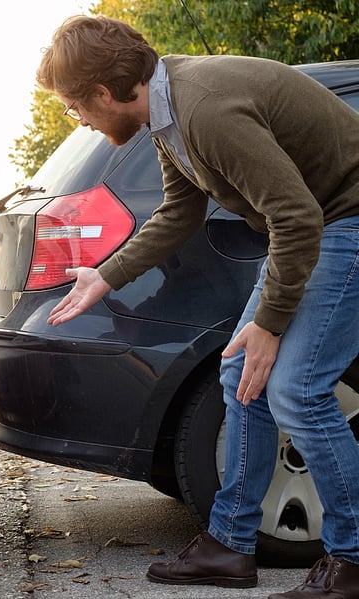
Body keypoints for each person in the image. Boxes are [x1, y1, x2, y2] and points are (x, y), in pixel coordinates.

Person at [38, 15, 359, 599]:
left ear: (104, 93)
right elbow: (178, 212)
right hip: (319, 225)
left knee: (298, 391)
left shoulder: (203, 109)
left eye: (73, 107)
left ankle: (352, 561)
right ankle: (229, 547)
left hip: (346, 221)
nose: (78, 120)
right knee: (240, 375)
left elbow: (297, 217)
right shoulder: (166, 114)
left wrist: (269, 323)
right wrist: (105, 277)